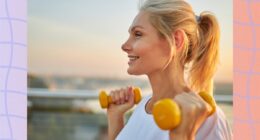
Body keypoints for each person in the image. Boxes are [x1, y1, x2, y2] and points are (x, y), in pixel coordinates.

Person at [106, 0, 232, 139]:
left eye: (138, 34)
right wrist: (115, 118)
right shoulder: (143, 106)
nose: (124, 45)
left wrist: (183, 135)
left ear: (176, 40)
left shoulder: (208, 120)